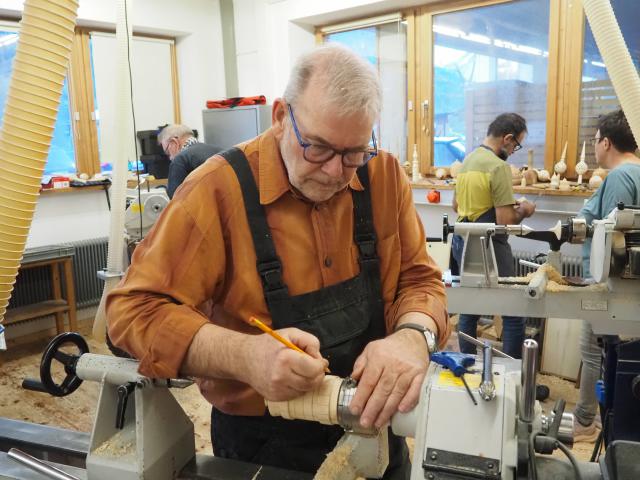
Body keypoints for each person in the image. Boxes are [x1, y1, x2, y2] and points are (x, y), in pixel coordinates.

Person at [107, 44, 449, 477]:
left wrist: (413, 337)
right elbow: (131, 312)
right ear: (281, 116)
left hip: (375, 429)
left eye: (353, 152)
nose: (335, 171)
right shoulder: (215, 190)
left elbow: (419, 280)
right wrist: (244, 356)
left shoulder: (382, 175)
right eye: (318, 148)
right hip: (262, 445)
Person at [573, 109, 640, 442]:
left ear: (607, 142)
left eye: (596, 140)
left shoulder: (620, 177)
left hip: (609, 285)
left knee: (594, 351)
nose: (594, 146)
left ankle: (586, 422)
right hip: (627, 287)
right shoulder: (635, 172)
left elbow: (613, 239)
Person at [451, 113, 536, 359]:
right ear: (507, 139)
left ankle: (467, 363)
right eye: (516, 145)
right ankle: (513, 371)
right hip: (488, 244)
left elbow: (456, 206)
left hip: (462, 240)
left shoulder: (467, 161)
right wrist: (526, 210)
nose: (514, 151)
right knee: (512, 311)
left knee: (470, 307)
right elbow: (505, 221)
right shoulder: (498, 167)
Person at [157, 124, 220, 198]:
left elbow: (175, 200)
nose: (170, 158)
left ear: (174, 142)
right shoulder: (220, 151)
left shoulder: (180, 160)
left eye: (168, 152)